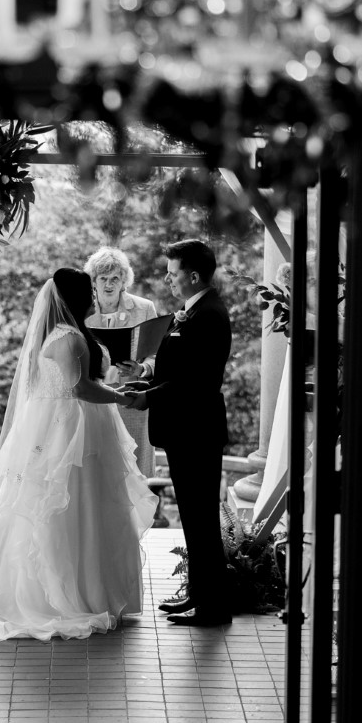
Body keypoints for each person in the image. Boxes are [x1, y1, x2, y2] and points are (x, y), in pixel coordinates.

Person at [0, 268, 157, 641]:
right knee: (74, 506)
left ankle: (84, 592)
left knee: (79, 506)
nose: (96, 296)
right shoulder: (71, 338)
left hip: (61, 426)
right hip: (71, 430)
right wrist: (124, 397)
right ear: (76, 297)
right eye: (90, 290)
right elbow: (81, 390)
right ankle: (73, 596)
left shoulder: (59, 335)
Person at [124, 239, 233, 627]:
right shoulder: (191, 312)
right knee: (192, 517)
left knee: (202, 519)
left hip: (197, 430)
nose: (168, 280)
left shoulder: (210, 316)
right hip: (184, 430)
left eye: (173, 274)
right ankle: (200, 595)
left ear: (192, 275)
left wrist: (146, 399)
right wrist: (146, 375)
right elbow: (175, 367)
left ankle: (214, 607)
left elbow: (196, 382)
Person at [84, 246, 158, 477]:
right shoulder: (83, 310)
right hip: (94, 400)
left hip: (131, 399)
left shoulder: (145, 308)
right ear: (93, 282)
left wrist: (143, 368)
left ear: (124, 281)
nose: (109, 284)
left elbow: (157, 354)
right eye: (103, 278)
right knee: (99, 473)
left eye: (115, 278)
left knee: (134, 473)